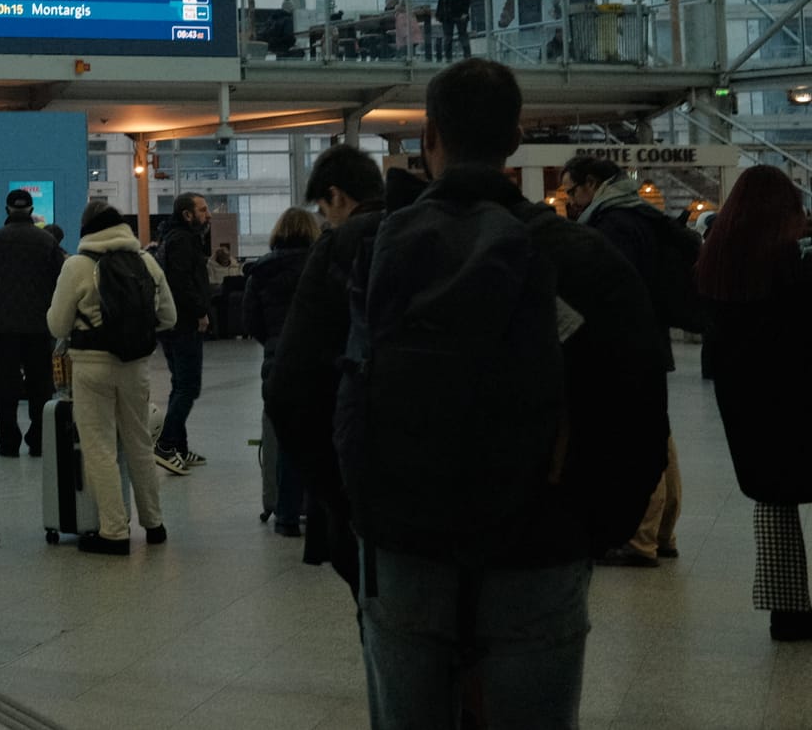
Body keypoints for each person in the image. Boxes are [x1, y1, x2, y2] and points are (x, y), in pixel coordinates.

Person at [327, 61, 667, 725]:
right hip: (538, 550)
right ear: (515, 137)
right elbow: (638, 415)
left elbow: (295, 393)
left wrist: (363, 526)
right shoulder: (583, 255)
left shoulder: (364, 247)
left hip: (402, 548)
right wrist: (583, 531)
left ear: (429, 136)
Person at [693, 164, 812, 641]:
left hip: (748, 406)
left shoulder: (716, 262)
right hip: (801, 397)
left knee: (774, 502)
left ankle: (787, 614)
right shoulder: (794, 266)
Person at [267, 143, 391, 594]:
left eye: (324, 207)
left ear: (336, 195)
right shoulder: (422, 231)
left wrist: (331, 492)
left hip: (360, 469)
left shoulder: (339, 247)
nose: (325, 219)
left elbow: (289, 390)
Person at [560, 155, 687, 568]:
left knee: (638, 435)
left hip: (627, 343)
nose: (570, 200)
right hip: (650, 338)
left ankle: (641, 539)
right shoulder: (640, 214)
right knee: (659, 432)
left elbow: (610, 288)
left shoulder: (613, 224)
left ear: (591, 183)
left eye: (572, 190)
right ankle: (662, 533)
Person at [47, 200, 174, 555]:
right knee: (139, 443)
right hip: (136, 366)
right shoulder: (146, 262)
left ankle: (114, 531)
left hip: (91, 366)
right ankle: (154, 524)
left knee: (99, 448)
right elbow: (169, 318)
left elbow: (57, 325)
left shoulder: (77, 266)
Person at [243, 207, 319, 537]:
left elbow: (251, 321)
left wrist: (274, 342)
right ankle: (320, 515)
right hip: (318, 359)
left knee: (286, 439)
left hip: (278, 360)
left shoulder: (260, 270)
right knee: (322, 438)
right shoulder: (322, 264)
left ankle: (286, 516)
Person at [0, 188, 66, 458]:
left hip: (4, 327)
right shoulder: (47, 242)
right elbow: (58, 283)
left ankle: (8, 442)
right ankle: (39, 440)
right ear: (30, 211)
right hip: (39, 326)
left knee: (6, 385)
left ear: (7, 210)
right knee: (40, 385)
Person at [154, 193, 212, 474]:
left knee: (180, 384)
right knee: (189, 386)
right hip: (183, 323)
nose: (208, 214)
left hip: (172, 323)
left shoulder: (171, 238)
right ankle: (166, 444)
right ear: (188, 215)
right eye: (202, 210)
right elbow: (182, 282)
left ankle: (179, 446)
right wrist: (200, 311)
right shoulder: (183, 241)